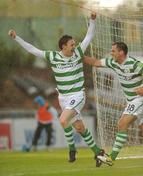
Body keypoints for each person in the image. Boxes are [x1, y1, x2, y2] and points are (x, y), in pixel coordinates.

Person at [8, 12, 105, 167]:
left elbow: (88, 37)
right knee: (79, 128)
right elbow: (32, 49)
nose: (75, 46)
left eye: (74, 44)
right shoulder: (53, 56)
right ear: (63, 47)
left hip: (78, 94)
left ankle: (72, 149)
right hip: (63, 98)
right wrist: (16, 37)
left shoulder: (78, 52)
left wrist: (92, 21)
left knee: (62, 119)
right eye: (71, 44)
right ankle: (98, 153)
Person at [84, 42, 143, 166]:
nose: (111, 53)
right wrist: (77, 56)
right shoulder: (113, 63)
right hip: (131, 100)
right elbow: (96, 63)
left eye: (113, 51)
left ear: (121, 52)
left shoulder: (134, 64)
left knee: (122, 123)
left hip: (138, 99)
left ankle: (111, 158)